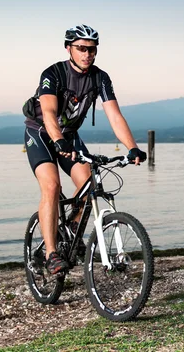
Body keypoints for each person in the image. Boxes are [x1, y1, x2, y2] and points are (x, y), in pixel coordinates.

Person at [23, 24, 147, 275]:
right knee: (51, 186)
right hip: (41, 134)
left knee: (88, 184)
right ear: (69, 48)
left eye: (92, 49)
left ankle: (72, 232)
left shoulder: (100, 78)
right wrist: (58, 141)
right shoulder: (53, 73)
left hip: (69, 136)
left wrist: (132, 147)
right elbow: (48, 112)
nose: (87, 54)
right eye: (81, 48)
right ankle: (51, 253)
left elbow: (114, 115)